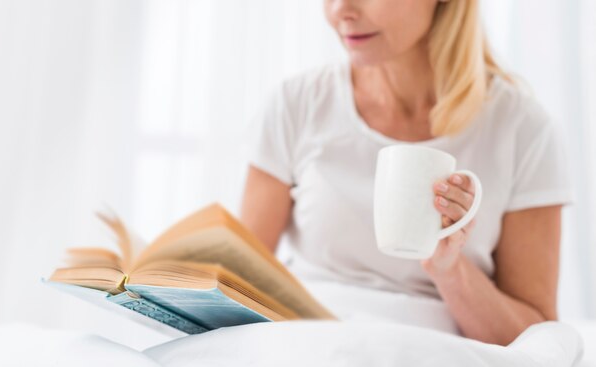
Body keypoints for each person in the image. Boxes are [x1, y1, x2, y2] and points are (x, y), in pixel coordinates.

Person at [240, 0, 573, 346]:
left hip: (431, 349)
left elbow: (535, 342)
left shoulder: (523, 129)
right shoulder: (297, 103)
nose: (341, 10)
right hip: (305, 343)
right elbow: (238, 280)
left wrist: (450, 269)